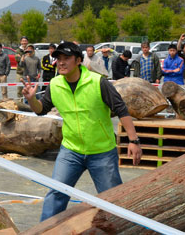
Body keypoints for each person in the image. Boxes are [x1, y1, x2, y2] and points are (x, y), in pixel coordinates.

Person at [21, 42, 142, 221]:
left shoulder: (97, 81)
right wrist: (31, 99)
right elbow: (41, 109)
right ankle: (44, 231)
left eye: (66, 58)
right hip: (71, 151)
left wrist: (133, 141)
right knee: (56, 195)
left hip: (102, 152)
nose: (61, 63)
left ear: (78, 60)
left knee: (114, 203)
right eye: (58, 59)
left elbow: (121, 108)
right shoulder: (55, 84)